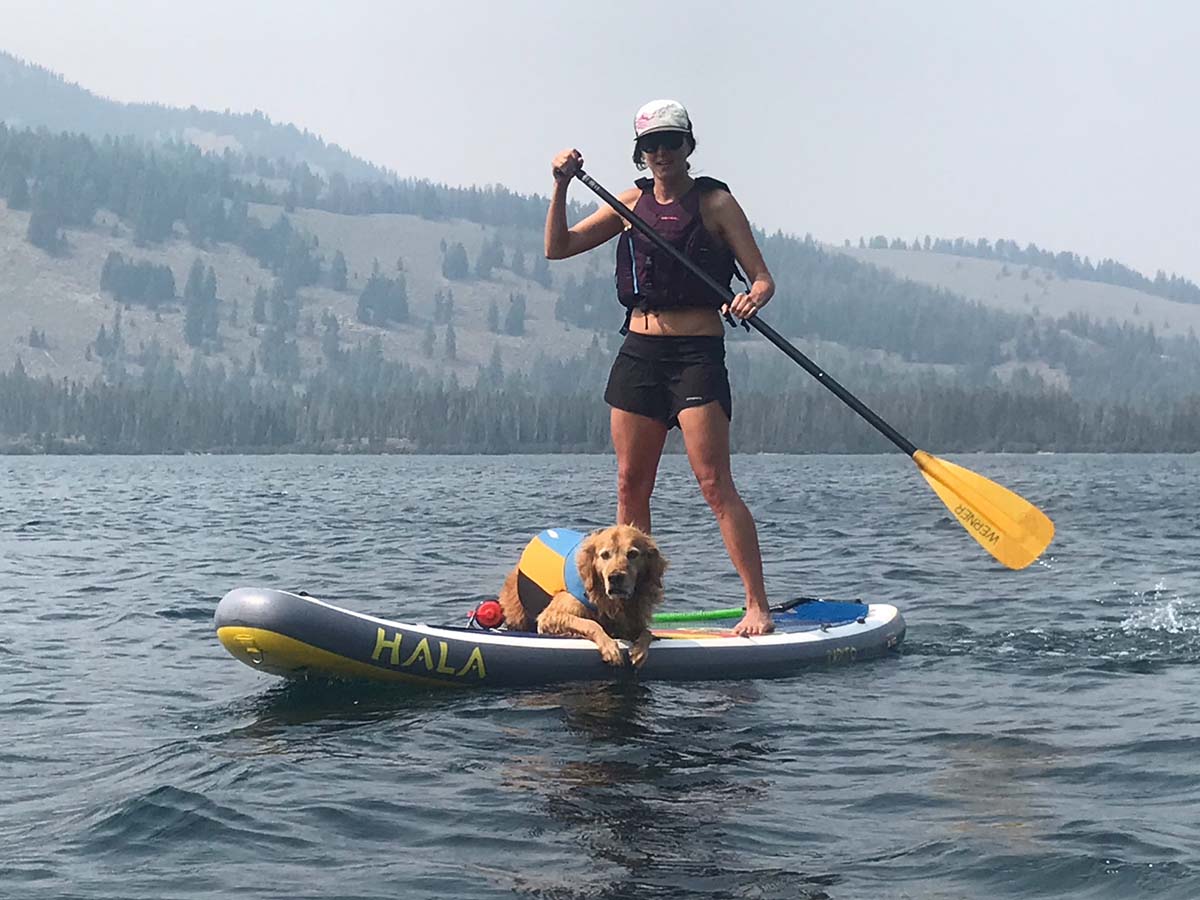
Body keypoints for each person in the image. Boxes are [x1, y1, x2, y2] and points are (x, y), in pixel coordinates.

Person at [543, 99, 776, 636]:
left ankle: (757, 605)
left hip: (696, 357)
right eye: (651, 145)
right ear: (640, 153)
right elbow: (558, 247)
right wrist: (560, 185)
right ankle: (630, 614)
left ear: (688, 147)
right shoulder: (629, 203)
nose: (661, 153)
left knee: (715, 483)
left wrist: (752, 298)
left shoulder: (715, 203)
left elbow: (762, 278)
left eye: (671, 142)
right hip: (640, 354)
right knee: (630, 486)